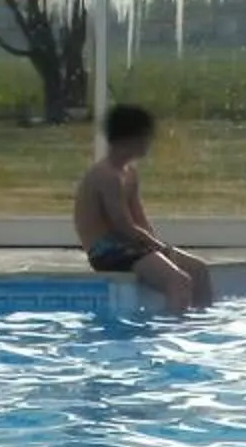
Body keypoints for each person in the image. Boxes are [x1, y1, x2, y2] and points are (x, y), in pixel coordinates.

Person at [74, 104, 215, 315]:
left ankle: (202, 327)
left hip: (131, 247)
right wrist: (159, 248)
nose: (150, 142)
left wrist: (161, 248)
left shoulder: (129, 173)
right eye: (148, 136)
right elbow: (123, 226)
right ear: (132, 138)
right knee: (179, 281)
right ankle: (174, 331)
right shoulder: (107, 176)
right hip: (108, 252)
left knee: (200, 270)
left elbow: (140, 220)